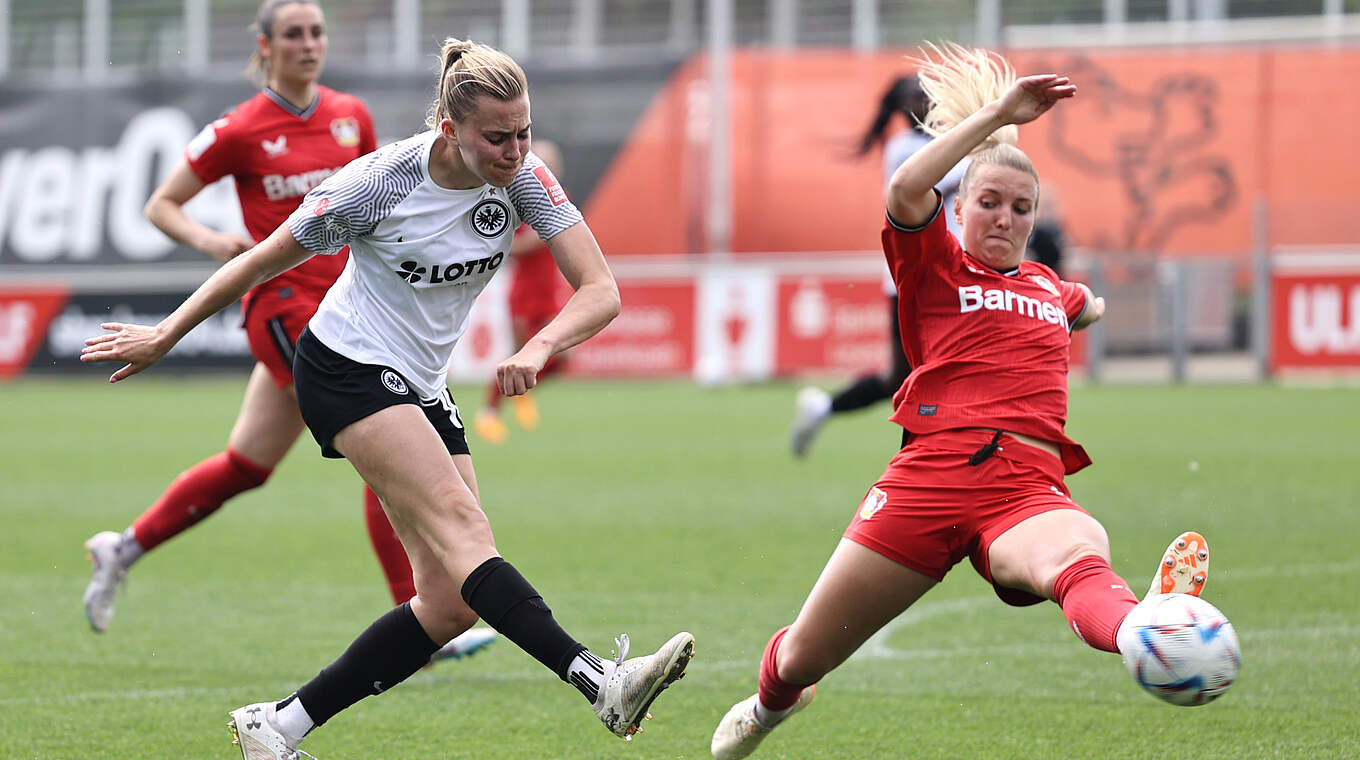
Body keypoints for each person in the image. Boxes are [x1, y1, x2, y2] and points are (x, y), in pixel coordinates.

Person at [82, 37, 693, 760]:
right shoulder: (378, 183)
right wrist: (166, 335)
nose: (514, 150)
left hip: (420, 383)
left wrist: (538, 347)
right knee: (465, 529)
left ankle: (276, 728)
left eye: (524, 132)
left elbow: (601, 290)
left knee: (449, 603)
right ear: (449, 130)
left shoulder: (525, 179)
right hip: (343, 368)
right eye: (496, 137)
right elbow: (260, 258)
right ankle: (601, 681)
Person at [711, 44, 1215, 759]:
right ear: (960, 204)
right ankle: (767, 709)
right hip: (929, 481)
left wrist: (1090, 308)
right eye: (988, 202)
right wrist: (999, 118)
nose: (1005, 219)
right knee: (802, 657)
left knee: (1079, 555)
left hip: (1025, 488)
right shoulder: (936, 265)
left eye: (1021, 208)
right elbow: (902, 192)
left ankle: (1145, 631)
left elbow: (1083, 304)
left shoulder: (1048, 287)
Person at [78, 0, 496, 662]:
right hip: (281, 307)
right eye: (294, 34)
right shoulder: (239, 129)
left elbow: (385, 196)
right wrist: (213, 240)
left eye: (317, 32)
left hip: (349, 310)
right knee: (388, 440)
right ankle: (418, 616)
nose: (309, 44)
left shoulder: (348, 115)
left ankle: (122, 546)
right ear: (266, 46)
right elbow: (161, 204)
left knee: (247, 465)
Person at [790, 75, 968, 458]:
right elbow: (938, 182)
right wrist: (979, 151)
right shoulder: (902, 149)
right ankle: (918, 456)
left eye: (928, 95)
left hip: (951, 273)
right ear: (901, 107)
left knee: (925, 375)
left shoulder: (944, 144)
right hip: (911, 280)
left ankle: (826, 410)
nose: (924, 102)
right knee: (904, 379)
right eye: (915, 97)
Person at [473, 138, 570, 444]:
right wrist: (541, 237)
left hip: (547, 290)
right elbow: (508, 245)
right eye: (545, 162)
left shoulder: (557, 198)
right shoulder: (518, 199)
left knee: (564, 357)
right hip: (524, 293)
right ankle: (488, 413)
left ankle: (520, 392)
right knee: (517, 356)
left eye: (553, 163)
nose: (549, 168)